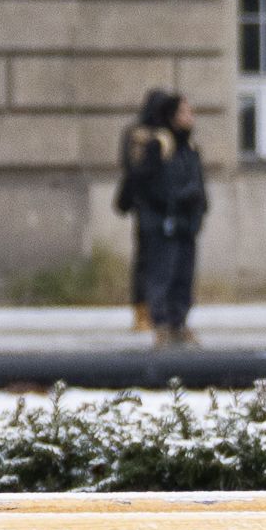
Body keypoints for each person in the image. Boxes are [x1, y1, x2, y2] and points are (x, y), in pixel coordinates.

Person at [116, 88, 207, 348]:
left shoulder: (187, 145)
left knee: (182, 274)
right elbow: (149, 182)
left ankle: (178, 321)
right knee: (160, 272)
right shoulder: (157, 143)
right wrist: (177, 199)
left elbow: (197, 181)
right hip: (162, 220)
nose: (191, 116)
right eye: (185, 111)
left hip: (184, 222)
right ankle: (161, 322)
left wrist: (197, 206)